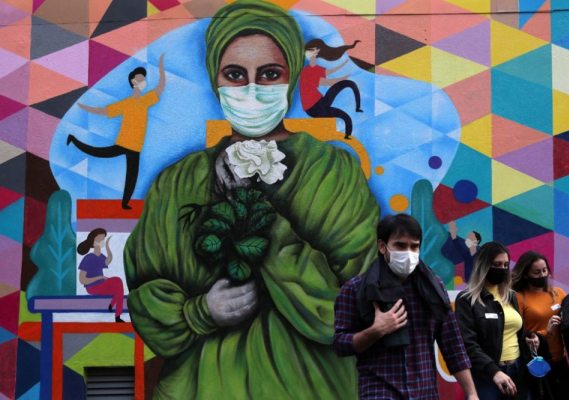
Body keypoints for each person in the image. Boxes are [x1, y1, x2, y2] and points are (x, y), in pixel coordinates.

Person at [124, 2, 379, 399]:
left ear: (292, 76)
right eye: (235, 75)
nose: (252, 89)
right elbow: (146, 296)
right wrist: (200, 312)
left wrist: (265, 222)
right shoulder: (178, 182)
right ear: (215, 79)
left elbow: (348, 309)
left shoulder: (332, 173)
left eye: (270, 74)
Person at [333, 213, 479, 399]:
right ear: (382, 246)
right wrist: (375, 331)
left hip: (424, 392)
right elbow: (340, 344)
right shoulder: (356, 289)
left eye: (414, 246)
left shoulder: (433, 288)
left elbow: (452, 344)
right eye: (400, 246)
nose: (408, 253)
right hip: (380, 390)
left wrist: (472, 394)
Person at [67, 54, 166, 209]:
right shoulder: (126, 103)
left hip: (136, 147)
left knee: (132, 177)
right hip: (123, 144)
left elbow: (160, 88)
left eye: (144, 79)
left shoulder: (145, 101)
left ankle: (125, 203)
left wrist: (160, 68)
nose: (143, 82)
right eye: (140, 79)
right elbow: (104, 111)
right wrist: (86, 108)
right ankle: (73, 139)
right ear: (133, 82)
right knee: (97, 152)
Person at [455, 241, 529, 399]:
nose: (502, 269)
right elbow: (468, 344)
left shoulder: (510, 296)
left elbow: (512, 330)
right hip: (487, 376)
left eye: (506, 265)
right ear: (483, 265)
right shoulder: (467, 299)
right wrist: (494, 371)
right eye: (497, 264)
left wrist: (531, 338)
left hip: (517, 371)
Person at [512, 251, 569, 399]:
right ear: (526, 274)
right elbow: (518, 335)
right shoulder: (519, 297)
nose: (542, 275)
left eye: (544, 270)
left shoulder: (558, 293)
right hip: (538, 363)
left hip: (561, 361)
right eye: (536, 272)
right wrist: (546, 332)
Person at [300, 38, 362, 139]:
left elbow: (327, 76)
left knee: (349, 85)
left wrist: (343, 68)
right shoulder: (308, 70)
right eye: (310, 50)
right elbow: (325, 81)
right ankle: (348, 135)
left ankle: (356, 111)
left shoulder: (313, 69)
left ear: (317, 51)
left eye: (312, 50)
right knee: (345, 116)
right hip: (315, 107)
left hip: (319, 103)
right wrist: (342, 76)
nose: (308, 52)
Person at [77, 228, 125, 323]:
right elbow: (82, 280)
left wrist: (107, 246)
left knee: (118, 284)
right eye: (100, 239)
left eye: (103, 239)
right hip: (92, 287)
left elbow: (108, 260)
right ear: (93, 242)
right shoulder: (89, 258)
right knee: (118, 282)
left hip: (102, 285)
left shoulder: (100, 256)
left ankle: (116, 313)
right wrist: (99, 277)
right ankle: (115, 311)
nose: (102, 241)